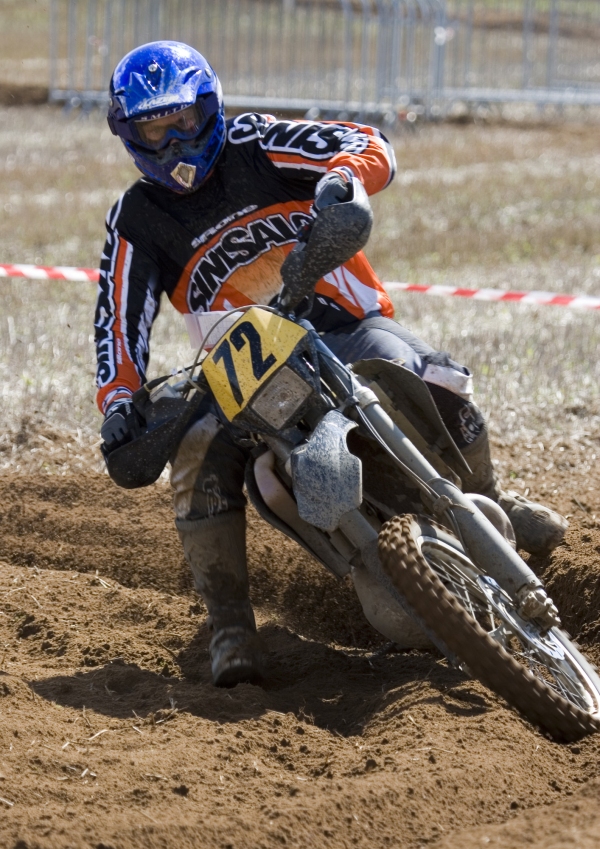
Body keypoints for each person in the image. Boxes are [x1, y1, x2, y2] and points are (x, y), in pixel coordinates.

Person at [96, 41, 567, 686]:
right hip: (245, 374)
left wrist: (341, 180)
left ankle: (486, 500)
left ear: (209, 108)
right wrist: (120, 403)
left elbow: (367, 142)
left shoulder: (258, 143)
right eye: (155, 129)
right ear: (131, 135)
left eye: (183, 122)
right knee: (199, 447)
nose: (174, 144)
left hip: (344, 327)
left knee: (429, 374)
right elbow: (116, 320)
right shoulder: (136, 218)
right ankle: (231, 626)